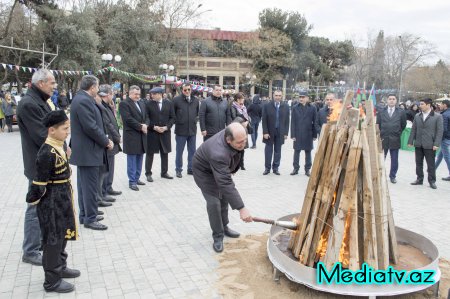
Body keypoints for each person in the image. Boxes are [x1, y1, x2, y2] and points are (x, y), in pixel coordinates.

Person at [26, 110, 80, 293]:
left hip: (63, 198)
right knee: (52, 240)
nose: (68, 132)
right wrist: (35, 202)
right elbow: (38, 184)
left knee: (63, 235)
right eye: (65, 129)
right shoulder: (46, 152)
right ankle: (52, 281)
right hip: (51, 202)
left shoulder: (60, 145)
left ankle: (61, 267)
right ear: (51, 130)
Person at [192, 123, 253, 253]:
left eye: (245, 140)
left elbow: (239, 150)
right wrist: (241, 208)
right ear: (228, 140)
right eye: (240, 142)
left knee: (224, 197)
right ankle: (217, 236)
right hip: (204, 172)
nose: (243, 144)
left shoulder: (238, 135)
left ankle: (224, 227)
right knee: (214, 202)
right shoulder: (218, 153)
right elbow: (225, 183)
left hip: (220, 168)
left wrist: (234, 167)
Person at [17, 69, 56, 266]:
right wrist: (61, 146)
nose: (54, 86)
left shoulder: (39, 100)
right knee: (34, 207)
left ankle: (40, 242)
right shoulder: (29, 103)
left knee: (43, 206)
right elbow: (43, 135)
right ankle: (30, 250)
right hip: (37, 165)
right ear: (41, 83)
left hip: (45, 163)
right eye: (52, 82)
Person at [70, 75, 112, 230]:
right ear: (92, 87)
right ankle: (90, 218)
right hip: (88, 151)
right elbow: (90, 127)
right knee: (89, 186)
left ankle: (85, 214)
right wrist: (106, 141)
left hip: (87, 151)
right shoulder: (83, 100)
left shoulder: (83, 99)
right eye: (98, 86)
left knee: (84, 186)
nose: (98, 89)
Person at [408, 98, 444, 189]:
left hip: (430, 144)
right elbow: (414, 129)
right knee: (418, 163)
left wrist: (436, 144)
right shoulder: (417, 116)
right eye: (420, 104)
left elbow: (440, 131)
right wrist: (410, 141)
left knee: (431, 164)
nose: (420, 106)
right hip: (419, 143)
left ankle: (432, 181)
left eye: (422, 104)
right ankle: (419, 179)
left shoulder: (437, 116)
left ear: (428, 105)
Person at [119, 85, 147, 191]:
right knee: (132, 159)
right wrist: (141, 126)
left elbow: (146, 116)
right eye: (135, 94)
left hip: (142, 135)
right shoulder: (124, 104)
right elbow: (127, 119)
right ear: (130, 93)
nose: (137, 96)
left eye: (139, 94)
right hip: (131, 136)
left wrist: (146, 125)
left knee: (140, 157)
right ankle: (132, 181)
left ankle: (137, 178)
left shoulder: (141, 102)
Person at [145, 87, 176, 181]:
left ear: (160, 94)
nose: (152, 96)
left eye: (154, 94)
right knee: (150, 153)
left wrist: (166, 127)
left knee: (165, 152)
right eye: (151, 94)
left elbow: (173, 117)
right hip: (152, 133)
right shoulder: (148, 104)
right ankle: (148, 173)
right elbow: (146, 118)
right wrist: (154, 127)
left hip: (165, 133)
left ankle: (164, 172)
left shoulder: (169, 103)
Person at [376, 94, 407, 184]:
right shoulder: (381, 111)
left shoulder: (401, 112)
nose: (391, 100)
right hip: (383, 138)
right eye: (390, 99)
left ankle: (392, 176)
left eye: (393, 99)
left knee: (394, 159)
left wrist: (397, 132)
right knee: (381, 158)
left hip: (395, 138)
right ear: (387, 100)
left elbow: (403, 125)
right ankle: (379, 174)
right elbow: (378, 124)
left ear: (396, 101)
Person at [98, 85, 123, 196]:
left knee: (111, 167)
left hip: (112, 141)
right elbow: (108, 125)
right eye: (112, 93)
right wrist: (117, 137)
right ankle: (104, 191)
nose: (112, 96)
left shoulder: (107, 106)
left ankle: (108, 187)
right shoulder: (101, 107)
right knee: (106, 168)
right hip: (109, 141)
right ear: (107, 94)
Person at [172, 83, 199, 178]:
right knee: (179, 151)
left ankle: (191, 169)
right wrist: (178, 121)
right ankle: (178, 170)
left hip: (192, 130)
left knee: (192, 151)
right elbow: (172, 114)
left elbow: (197, 113)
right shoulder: (176, 100)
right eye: (185, 90)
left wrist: (195, 121)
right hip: (181, 131)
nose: (187, 91)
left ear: (191, 90)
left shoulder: (195, 100)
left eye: (189, 89)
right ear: (182, 90)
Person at [290, 91, 319, 176]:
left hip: (308, 133)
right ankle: (295, 168)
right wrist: (293, 134)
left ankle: (307, 169)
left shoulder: (313, 108)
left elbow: (315, 121)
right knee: (296, 151)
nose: (301, 99)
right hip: (298, 133)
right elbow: (293, 122)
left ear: (307, 98)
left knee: (308, 152)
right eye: (300, 97)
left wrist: (314, 135)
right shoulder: (295, 107)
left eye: (303, 97)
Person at [261, 90, 290, 175]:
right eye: (276, 95)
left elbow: (287, 121)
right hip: (269, 132)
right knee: (268, 151)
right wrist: (265, 132)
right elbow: (264, 120)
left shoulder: (286, 106)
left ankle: (276, 168)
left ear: (282, 96)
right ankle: (267, 168)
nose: (278, 97)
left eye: (279, 96)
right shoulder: (267, 106)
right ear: (273, 95)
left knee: (278, 151)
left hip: (280, 132)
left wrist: (285, 133)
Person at [228, 92, 251, 170]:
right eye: (242, 98)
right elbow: (234, 117)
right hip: (236, 129)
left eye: (243, 98)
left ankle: (242, 164)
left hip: (244, 129)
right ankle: (234, 164)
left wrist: (247, 122)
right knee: (235, 147)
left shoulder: (244, 107)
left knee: (242, 147)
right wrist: (243, 121)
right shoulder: (233, 107)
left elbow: (247, 117)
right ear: (238, 99)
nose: (243, 100)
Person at [435, 99, 450, 181]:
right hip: (448, 138)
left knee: (447, 157)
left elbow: (444, 129)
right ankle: (433, 169)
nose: (440, 105)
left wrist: (440, 138)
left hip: (445, 138)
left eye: (441, 104)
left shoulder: (444, 115)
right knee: (440, 155)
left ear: (445, 105)